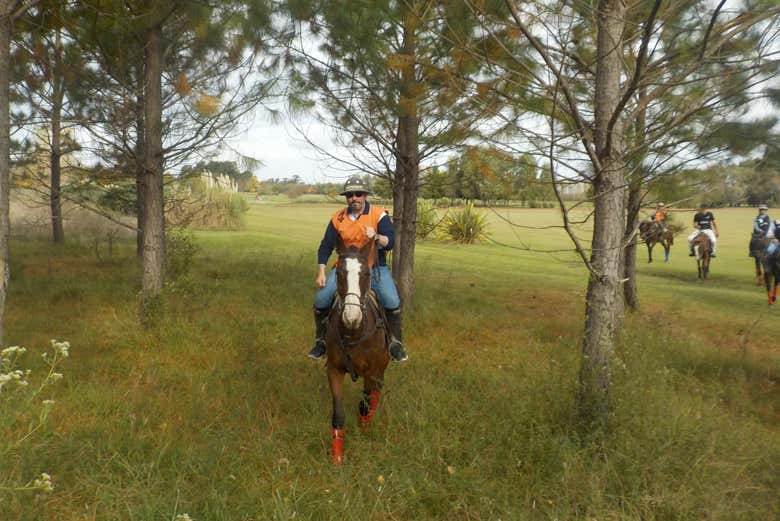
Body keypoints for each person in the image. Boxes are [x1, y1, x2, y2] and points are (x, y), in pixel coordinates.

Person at [308, 177, 408, 362]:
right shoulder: (338, 218)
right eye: (350, 195)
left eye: (358, 194)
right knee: (321, 298)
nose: (354, 198)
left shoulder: (378, 215)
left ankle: (395, 343)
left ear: (365, 196)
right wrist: (321, 271)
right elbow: (325, 246)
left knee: (392, 300)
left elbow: (390, 242)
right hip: (345, 268)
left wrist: (376, 236)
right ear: (346, 198)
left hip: (373, 267)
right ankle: (321, 342)